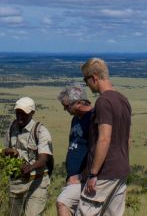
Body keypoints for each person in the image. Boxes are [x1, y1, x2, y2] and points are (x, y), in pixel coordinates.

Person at [78, 58, 131, 216]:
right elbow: (128, 139)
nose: (86, 84)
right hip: (120, 170)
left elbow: (104, 139)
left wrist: (93, 174)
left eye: (85, 79)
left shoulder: (103, 102)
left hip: (105, 172)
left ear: (94, 77)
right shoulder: (123, 100)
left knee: (85, 212)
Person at [3, 97, 54, 216]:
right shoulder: (11, 128)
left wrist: (29, 168)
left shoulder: (41, 131)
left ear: (32, 113)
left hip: (36, 181)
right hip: (16, 183)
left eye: (24, 113)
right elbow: (4, 150)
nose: (20, 116)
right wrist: (8, 152)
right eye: (18, 113)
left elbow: (43, 158)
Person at [56, 84, 95, 216]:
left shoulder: (92, 118)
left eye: (67, 106)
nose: (64, 109)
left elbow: (95, 149)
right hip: (73, 179)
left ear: (78, 103)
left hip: (83, 179)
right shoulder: (76, 119)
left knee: (62, 202)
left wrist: (82, 175)